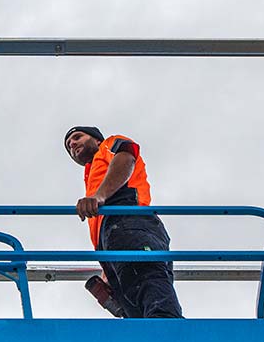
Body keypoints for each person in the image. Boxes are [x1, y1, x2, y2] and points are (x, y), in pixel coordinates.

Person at [63, 125, 183, 319]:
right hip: (112, 239)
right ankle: (153, 334)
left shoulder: (109, 145)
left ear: (97, 139)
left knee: (148, 281)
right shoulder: (92, 174)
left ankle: (168, 329)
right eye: (69, 145)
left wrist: (99, 196)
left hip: (129, 220)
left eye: (77, 137)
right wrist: (107, 265)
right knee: (132, 305)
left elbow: (126, 158)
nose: (72, 144)